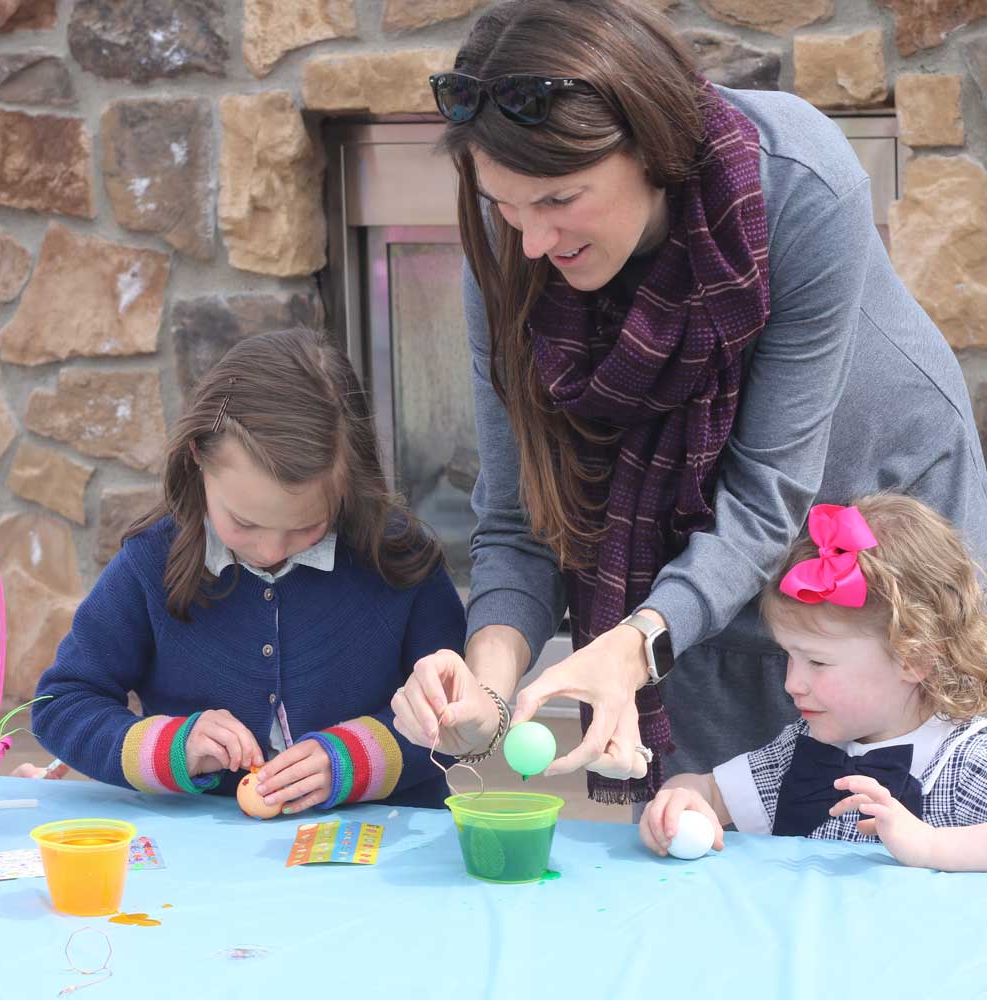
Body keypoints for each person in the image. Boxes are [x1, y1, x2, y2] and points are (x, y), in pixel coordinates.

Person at [391, 0, 987, 808]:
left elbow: (766, 493)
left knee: (886, 834)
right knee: (699, 830)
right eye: (506, 204)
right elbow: (519, 515)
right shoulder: (510, 253)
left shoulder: (798, 186)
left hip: (874, 550)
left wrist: (635, 641)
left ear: (653, 150)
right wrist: (486, 690)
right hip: (691, 577)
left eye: (560, 200)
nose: (531, 241)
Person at [31, 328, 466, 812]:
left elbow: (454, 719)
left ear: (348, 486)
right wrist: (174, 746)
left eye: (307, 527)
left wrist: (356, 761)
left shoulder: (399, 561)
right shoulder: (150, 565)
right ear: (198, 458)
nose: (269, 548)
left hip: (392, 849)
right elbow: (62, 705)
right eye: (244, 522)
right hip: (208, 856)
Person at [640, 495, 987, 871]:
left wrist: (931, 845)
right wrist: (679, 800)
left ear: (914, 658)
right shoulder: (801, 748)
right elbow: (707, 789)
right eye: (790, 655)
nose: (792, 683)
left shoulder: (967, 760)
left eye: (817, 661)